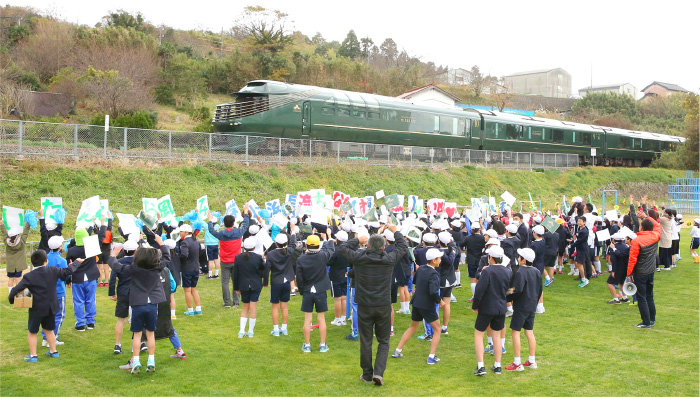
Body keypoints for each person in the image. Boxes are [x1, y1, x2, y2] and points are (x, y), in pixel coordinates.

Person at [338, 221, 407, 386]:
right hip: (383, 305)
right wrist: (395, 231)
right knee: (383, 340)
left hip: (365, 305)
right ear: (383, 247)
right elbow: (403, 247)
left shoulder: (360, 257)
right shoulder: (389, 259)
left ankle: (368, 374)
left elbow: (342, 249)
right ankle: (378, 373)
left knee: (366, 340)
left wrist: (357, 239)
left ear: (367, 246)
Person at [106, 236, 170, 374]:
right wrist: (161, 243)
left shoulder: (133, 269)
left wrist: (113, 255)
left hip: (138, 303)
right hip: (152, 303)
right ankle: (151, 360)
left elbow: (116, 266)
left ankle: (135, 360)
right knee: (151, 333)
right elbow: (167, 257)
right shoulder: (156, 268)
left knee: (137, 334)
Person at [9, 249, 81, 362]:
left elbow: (16, 289)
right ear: (46, 261)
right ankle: (53, 351)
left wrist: (11, 300)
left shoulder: (29, 276)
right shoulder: (52, 270)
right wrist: (77, 262)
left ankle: (33, 355)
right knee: (49, 329)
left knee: (32, 331)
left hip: (36, 308)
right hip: (50, 306)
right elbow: (67, 271)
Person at [392, 248, 444, 365]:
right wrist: (440, 301)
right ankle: (431, 356)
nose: (440, 260)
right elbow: (433, 292)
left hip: (416, 303)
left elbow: (415, 281)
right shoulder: (434, 274)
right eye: (439, 258)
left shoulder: (420, 269)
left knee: (413, 327)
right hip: (427, 305)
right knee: (437, 329)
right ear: (434, 260)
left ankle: (398, 350)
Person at [472, 245, 512, 376]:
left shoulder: (487, 272)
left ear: (491, 258)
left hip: (487, 307)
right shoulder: (508, 271)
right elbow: (509, 290)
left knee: (479, 334)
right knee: (497, 336)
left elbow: (479, 290)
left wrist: (475, 306)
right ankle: (497, 365)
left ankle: (481, 366)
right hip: (501, 308)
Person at [296, 232, 335, 353]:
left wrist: (302, 290)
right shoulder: (322, 256)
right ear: (318, 246)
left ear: (306, 246)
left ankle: (307, 345)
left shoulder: (301, 259)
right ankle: (322, 344)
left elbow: (299, 278)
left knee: (308, 319)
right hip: (320, 290)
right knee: (321, 318)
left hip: (308, 290)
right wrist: (328, 238)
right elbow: (331, 250)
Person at [505, 248, 542, 371]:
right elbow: (539, 289)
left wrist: (507, 297)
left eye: (519, 256)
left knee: (515, 332)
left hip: (521, 306)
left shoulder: (521, 272)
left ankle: (517, 362)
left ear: (524, 260)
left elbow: (518, 290)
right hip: (531, 305)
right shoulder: (536, 271)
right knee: (529, 332)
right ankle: (532, 360)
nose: (518, 258)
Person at [206, 206, 251, 308]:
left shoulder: (221, 234)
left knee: (225, 282)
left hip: (225, 261)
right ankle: (236, 302)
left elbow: (211, 230)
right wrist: (246, 212)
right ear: (233, 223)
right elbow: (246, 224)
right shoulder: (238, 232)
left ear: (224, 223)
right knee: (236, 281)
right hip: (236, 261)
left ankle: (227, 302)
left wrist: (210, 220)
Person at [627, 212, 661, 328]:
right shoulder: (655, 236)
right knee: (649, 295)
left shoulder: (636, 240)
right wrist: (646, 216)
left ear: (642, 227)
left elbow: (632, 259)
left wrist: (629, 273)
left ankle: (646, 322)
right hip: (651, 270)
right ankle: (652, 319)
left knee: (641, 297)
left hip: (640, 272)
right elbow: (658, 226)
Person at [66, 227, 99, 331]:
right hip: (91, 277)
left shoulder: (71, 250)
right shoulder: (92, 247)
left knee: (78, 301)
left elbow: (69, 266)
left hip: (78, 278)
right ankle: (90, 322)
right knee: (90, 299)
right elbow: (100, 237)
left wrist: (68, 279)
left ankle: (80, 323)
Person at [265, 228, 297, 336]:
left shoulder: (271, 254)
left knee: (275, 306)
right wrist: (293, 233)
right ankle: (284, 328)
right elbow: (293, 244)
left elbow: (267, 269)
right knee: (284, 306)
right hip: (286, 281)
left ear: (276, 243)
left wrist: (265, 282)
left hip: (276, 282)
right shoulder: (288, 251)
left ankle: (276, 329)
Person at [109, 239, 137, 354]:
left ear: (124, 251)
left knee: (121, 319)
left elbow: (112, 278)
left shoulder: (119, 262)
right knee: (137, 318)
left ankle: (117, 344)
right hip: (136, 292)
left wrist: (112, 292)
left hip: (123, 291)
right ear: (136, 251)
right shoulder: (139, 262)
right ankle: (140, 342)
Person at [234, 237, 266, 338]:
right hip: (256, 284)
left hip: (243, 284)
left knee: (245, 307)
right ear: (254, 247)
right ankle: (250, 331)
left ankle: (241, 331)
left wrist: (236, 287)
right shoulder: (257, 258)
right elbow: (263, 271)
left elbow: (235, 274)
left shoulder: (238, 257)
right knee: (253, 307)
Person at [41, 236, 68, 347]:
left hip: (46, 291)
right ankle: (53, 338)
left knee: (47, 314)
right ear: (60, 247)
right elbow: (64, 277)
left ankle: (45, 338)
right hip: (58, 291)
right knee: (59, 315)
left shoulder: (45, 258)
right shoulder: (61, 261)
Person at [178, 224, 203, 316]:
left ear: (186, 232)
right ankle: (198, 308)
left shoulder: (184, 242)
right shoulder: (196, 240)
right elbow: (200, 251)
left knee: (187, 290)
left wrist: (179, 259)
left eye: (181, 231)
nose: (180, 233)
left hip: (187, 268)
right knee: (193, 289)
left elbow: (184, 255)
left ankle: (190, 310)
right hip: (195, 267)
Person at [1, 220, 31, 294]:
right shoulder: (21, 241)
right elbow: (25, 232)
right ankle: (18, 294)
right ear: (17, 235)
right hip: (19, 265)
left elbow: (4, 234)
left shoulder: (6, 242)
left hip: (10, 265)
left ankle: (10, 294)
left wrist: (2, 225)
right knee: (18, 279)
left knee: (10, 279)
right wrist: (28, 223)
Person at [328, 230, 349, 327]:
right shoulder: (348, 250)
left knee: (337, 299)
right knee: (344, 298)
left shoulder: (336, 250)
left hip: (336, 275)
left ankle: (338, 319)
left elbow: (329, 262)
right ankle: (343, 318)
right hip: (345, 275)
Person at [605, 232, 631, 305]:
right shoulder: (625, 246)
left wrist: (613, 271)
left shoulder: (613, 247)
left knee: (610, 282)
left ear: (613, 240)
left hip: (618, 268)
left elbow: (614, 260)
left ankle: (616, 299)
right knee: (622, 282)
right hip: (625, 268)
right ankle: (625, 297)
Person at [569, 217, 590, 288]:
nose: (579, 222)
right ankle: (583, 278)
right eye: (578, 221)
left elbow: (579, 241)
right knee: (579, 264)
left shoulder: (583, 231)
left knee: (580, 264)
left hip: (582, 249)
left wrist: (571, 246)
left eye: (580, 221)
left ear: (584, 222)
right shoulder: (582, 229)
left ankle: (584, 279)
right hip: (581, 249)